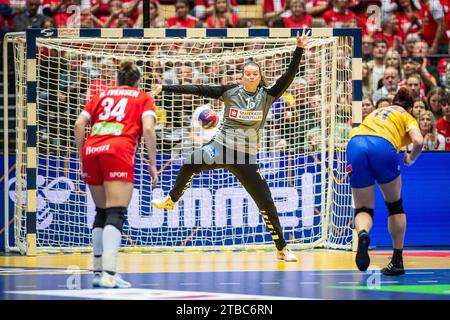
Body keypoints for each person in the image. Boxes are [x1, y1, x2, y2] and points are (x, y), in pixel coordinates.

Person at [150, 30, 311, 263]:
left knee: (266, 202)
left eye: (255, 73)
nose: (251, 76)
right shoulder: (230, 92)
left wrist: (299, 49)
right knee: (189, 164)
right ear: (242, 76)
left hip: (246, 158)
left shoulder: (268, 95)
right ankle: (171, 200)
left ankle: (282, 249)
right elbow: (198, 89)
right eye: (247, 73)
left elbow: (288, 76)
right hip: (220, 148)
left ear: (259, 76)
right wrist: (165, 88)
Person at [74, 60, 158, 288]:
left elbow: (79, 124)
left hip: (91, 149)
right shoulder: (143, 97)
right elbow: (149, 129)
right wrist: (152, 163)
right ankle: (110, 274)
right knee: (116, 211)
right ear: (137, 81)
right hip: (119, 149)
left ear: (117, 80)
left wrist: (82, 154)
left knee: (101, 211)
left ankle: (98, 272)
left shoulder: (100, 95)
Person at [347, 88, 423, 276]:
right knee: (395, 205)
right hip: (382, 146)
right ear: (410, 108)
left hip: (356, 143)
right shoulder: (407, 116)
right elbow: (419, 141)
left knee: (363, 208)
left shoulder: (377, 112)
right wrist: (411, 159)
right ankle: (397, 260)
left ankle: (363, 234)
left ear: (392, 102)